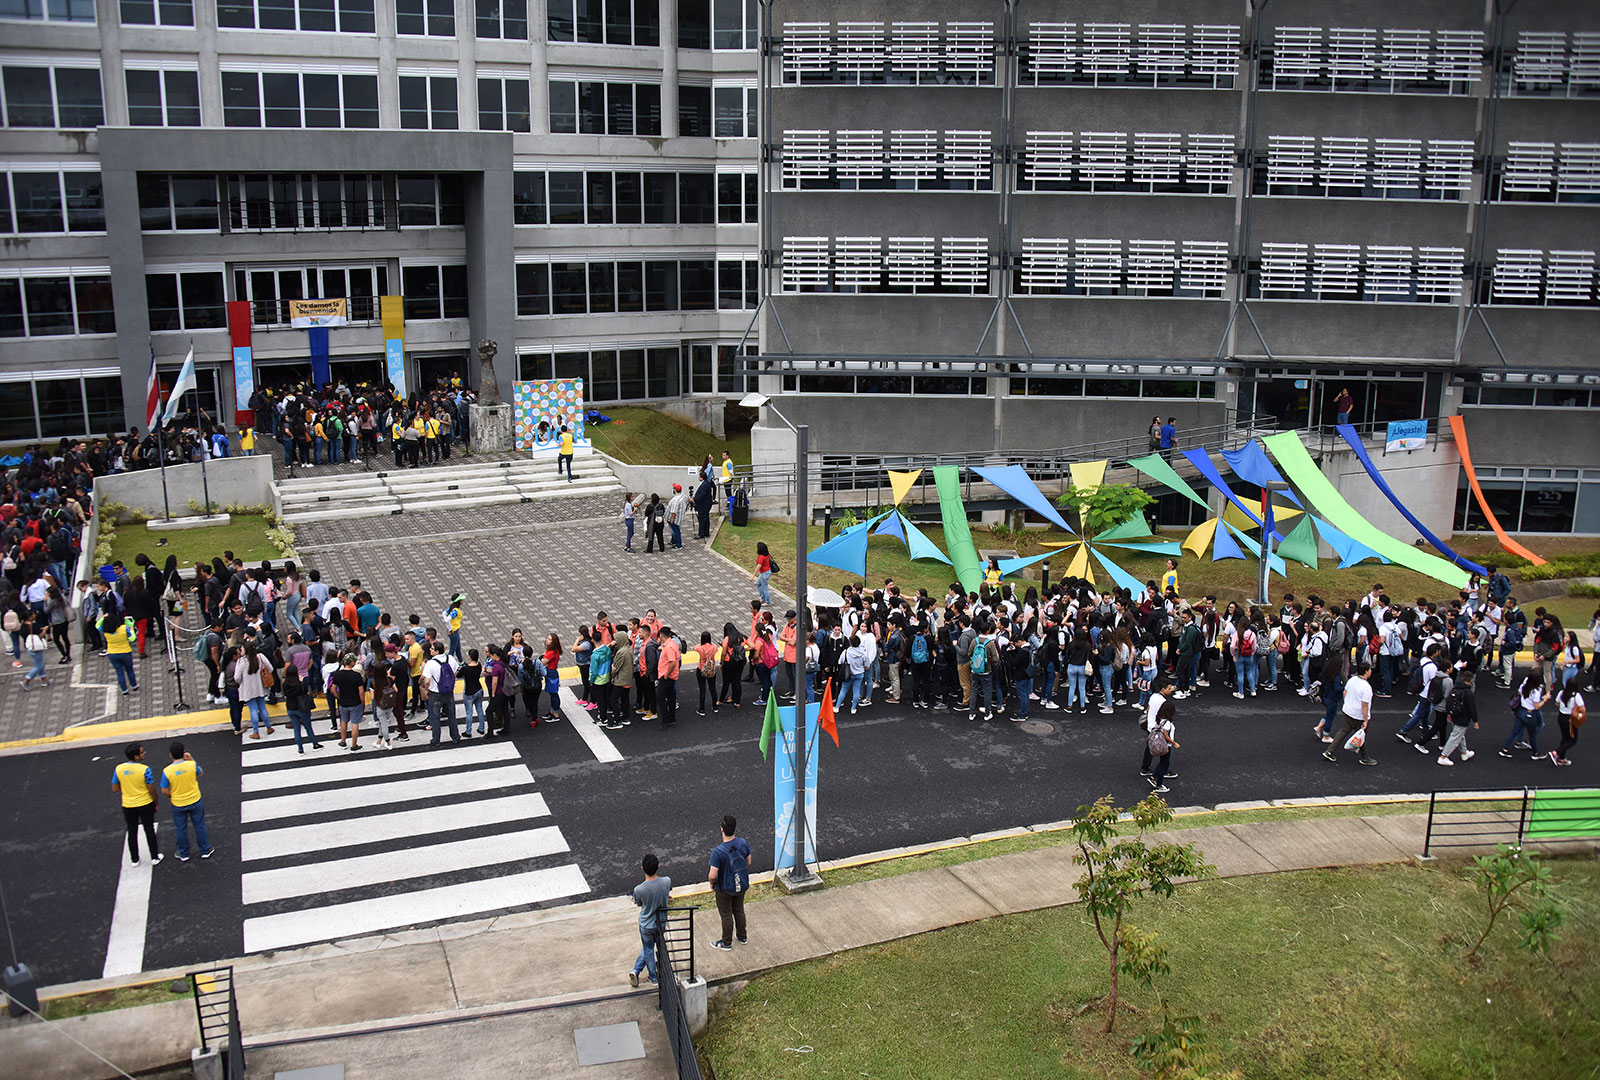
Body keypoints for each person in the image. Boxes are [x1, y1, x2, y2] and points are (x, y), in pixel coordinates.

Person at [162, 741, 214, 862]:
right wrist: (191, 759)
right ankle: (205, 850)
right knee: (199, 825)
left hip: (178, 803)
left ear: (171, 755)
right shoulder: (191, 765)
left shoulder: (167, 771)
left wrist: (172, 795)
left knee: (181, 828)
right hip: (195, 800)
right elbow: (200, 773)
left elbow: (164, 790)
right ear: (183, 752)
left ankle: (184, 853)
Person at [707, 814, 751, 951]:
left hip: (724, 888)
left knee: (726, 915)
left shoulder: (718, 852)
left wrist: (712, 884)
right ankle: (742, 936)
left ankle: (726, 942)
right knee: (739, 910)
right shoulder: (743, 843)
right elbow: (748, 862)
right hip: (741, 884)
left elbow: (712, 875)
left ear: (722, 829)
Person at [112, 743, 161, 866]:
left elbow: (115, 788)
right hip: (145, 803)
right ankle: (154, 857)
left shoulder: (119, 769)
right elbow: (151, 789)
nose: (144, 753)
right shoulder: (145, 769)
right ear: (136, 756)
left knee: (132, 831)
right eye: (142, 752)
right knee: (149, 829)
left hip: (128, 805)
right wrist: (156, 802)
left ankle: (135, 859)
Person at [629, 852, 672, 987]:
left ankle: (653, 976)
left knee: (648, 948)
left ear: (642, 868)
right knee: (655, 946)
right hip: (661, 922)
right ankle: (636, 970)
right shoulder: (666, 881)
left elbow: (640, 904)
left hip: (646, 924)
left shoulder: (639, 889)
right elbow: (665, 893)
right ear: (658, 867)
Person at [1323, 659, 1377, 766]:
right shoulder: (1366, 688)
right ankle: (1365, 757)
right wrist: (1366, 720)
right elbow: (1365, 705)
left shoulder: (1352, 680)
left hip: (1348, 710)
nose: (1371, 671)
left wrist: (1347, 703)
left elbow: (1345, 692)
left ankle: (1329, 751)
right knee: (1361, 735)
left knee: (1344, 731)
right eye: (1370, 670)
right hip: (1358, 715)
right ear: (1366, 672)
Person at [1501, 670, 1549, 759]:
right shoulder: (1536, 692)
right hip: (1530, 714)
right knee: (1532, 735)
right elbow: (1537, 706)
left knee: (1514, 731)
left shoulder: (1524, 686)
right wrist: (1545, 700)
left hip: (1520, 711)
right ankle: (1535, 754)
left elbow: (1519, 694)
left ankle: (1504, 749)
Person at [1437, 668, 1480, 766]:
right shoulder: (1468, 693)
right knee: (1455, 737)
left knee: (1459, 735)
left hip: (1455, 715)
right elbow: (1471, 708)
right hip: (1463, 718)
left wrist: (1450, 714)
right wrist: (1475, 721)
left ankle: (1464, 753)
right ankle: (1443, 756)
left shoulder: (1455, 688)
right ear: (1471, 680)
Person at [101, 612, 139, 695]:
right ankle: (134, 685)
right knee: (129, 670)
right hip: (125, 652)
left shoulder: (105, 630)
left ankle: (124, 690)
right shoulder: (124, 628)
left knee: (119, 672)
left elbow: (97, 625)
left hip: (112, 653)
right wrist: (131, 628)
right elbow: (132, 638)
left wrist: (103, 618)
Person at [1147, 699, 1178, 794]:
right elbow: (1166, 735)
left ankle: (1153, 776)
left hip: (1160, 744)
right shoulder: (1167, 723)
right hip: (1166, 745)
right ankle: (1158, 783)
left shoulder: (1159, 719)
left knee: (1163, 762)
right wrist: (1174, 743)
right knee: (1163, 764)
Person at [1551, 678, 1584, 766]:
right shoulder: (1576, 696)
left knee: (1565, 737)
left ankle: (1562, 758)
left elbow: (1557, 703)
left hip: (1561, 717)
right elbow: (1582, 707)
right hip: (1570, 719)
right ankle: (1556, 752)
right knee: (1573, 740)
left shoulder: (1561, 692)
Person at [666, 483, 688, 549]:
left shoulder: (675, 500)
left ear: (675, 490)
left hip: (674, 518)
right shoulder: (683, 495)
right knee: (674, 530)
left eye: (674, 488)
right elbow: (688, 499)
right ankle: (673, 541)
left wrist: (672, 519)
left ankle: (678, 545)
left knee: (676, 531)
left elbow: (674, 511)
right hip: (680, 517)